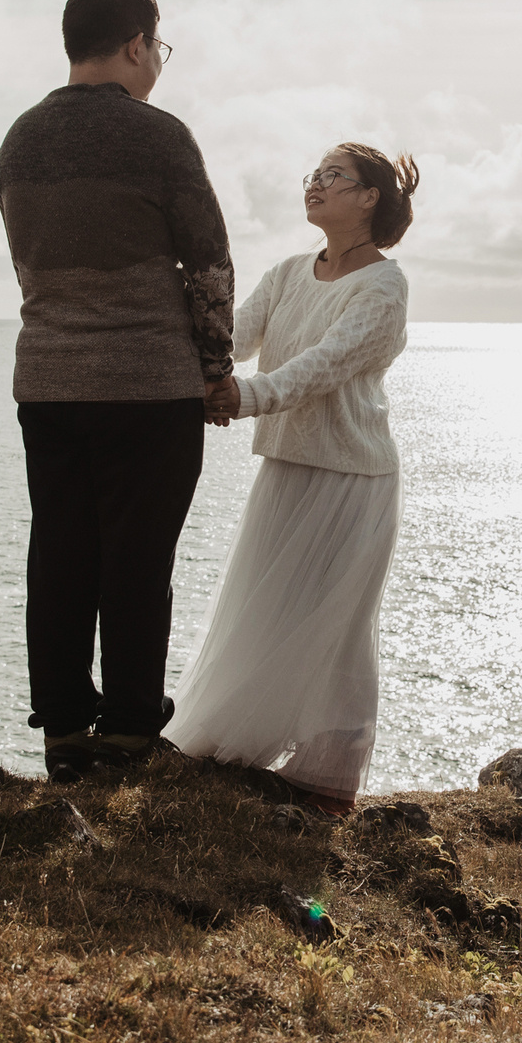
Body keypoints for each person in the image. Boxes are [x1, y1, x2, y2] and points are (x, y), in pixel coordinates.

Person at [0, 0, 239, 782]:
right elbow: (207, 262)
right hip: (146, 383)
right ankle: (130, 730)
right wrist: (214, 367)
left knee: (59, 553)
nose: (157, 62)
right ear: (136, 44)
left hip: (50, 381)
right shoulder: (160, 137)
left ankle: (63, 729)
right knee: (137, 561)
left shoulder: (19, 141)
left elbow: (32, 266)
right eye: (156, 47)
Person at [172, 142, 420, 815]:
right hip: (287, 466)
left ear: (369, 197)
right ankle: (229, 745)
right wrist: (199, 373)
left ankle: (326, 779)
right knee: (261, 608)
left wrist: (240, 397)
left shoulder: (383, 286)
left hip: (352, 477)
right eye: (314, 174)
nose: (315, 184)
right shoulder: (287, 272)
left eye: (332, 176)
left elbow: (324, 364)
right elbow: (233, 334)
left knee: (335, 626)